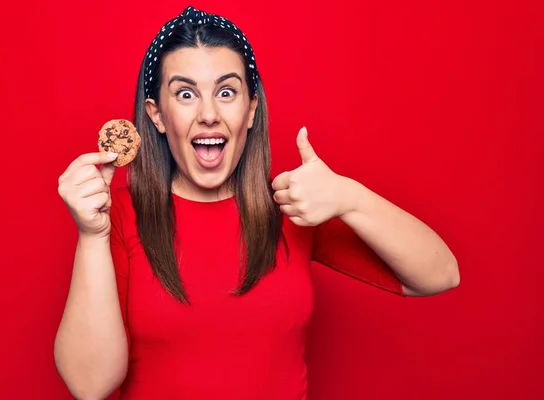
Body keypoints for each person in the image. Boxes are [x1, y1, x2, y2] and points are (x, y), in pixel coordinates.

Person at [54, 5, 459, 400]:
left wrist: (349, 197)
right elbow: (90, 386)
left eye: (226, 91)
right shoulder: (117, 217)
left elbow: (439, 275)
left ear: (250, 110)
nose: (209, 114)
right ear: (156, 116)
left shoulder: (293, 207)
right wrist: (91, 235)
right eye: (186, 94)